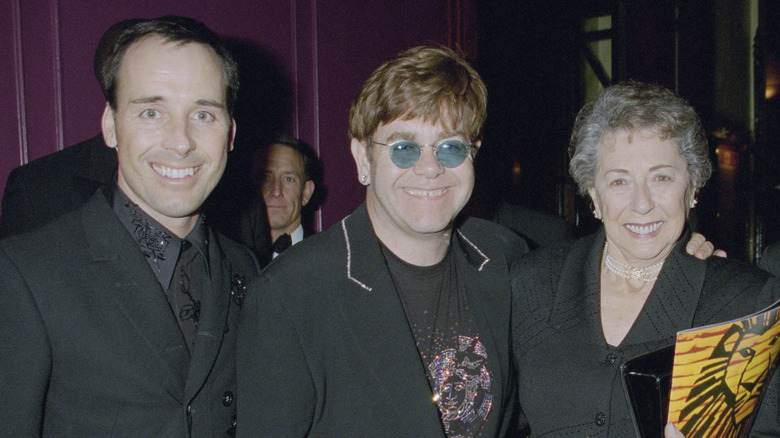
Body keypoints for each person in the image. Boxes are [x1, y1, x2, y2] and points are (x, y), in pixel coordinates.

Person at [236, 45, 530, 437]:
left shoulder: (504, 258)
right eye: (404, 148)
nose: (430, 168)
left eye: (451, 147)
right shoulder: (290, 294)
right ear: (362, 158)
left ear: (473, 155)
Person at [0, 16, 261, 436]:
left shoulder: (245, 267)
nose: (181, 141)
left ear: (230, 134)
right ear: (110, 125)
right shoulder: (24, 273)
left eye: (204, 115)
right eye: (152, 112)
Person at [510, 81, 780, 437]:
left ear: (693, 186)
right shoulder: (529, 285)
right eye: (620, 182)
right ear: (593, 192)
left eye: (662, 178)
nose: (642, 204)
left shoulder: (748, 304)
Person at [251, 133, 321, 258]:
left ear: (306, 192)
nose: (276, 191)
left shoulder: (328, 259)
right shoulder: (230, 259)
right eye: (265, 178)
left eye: (288, 179)